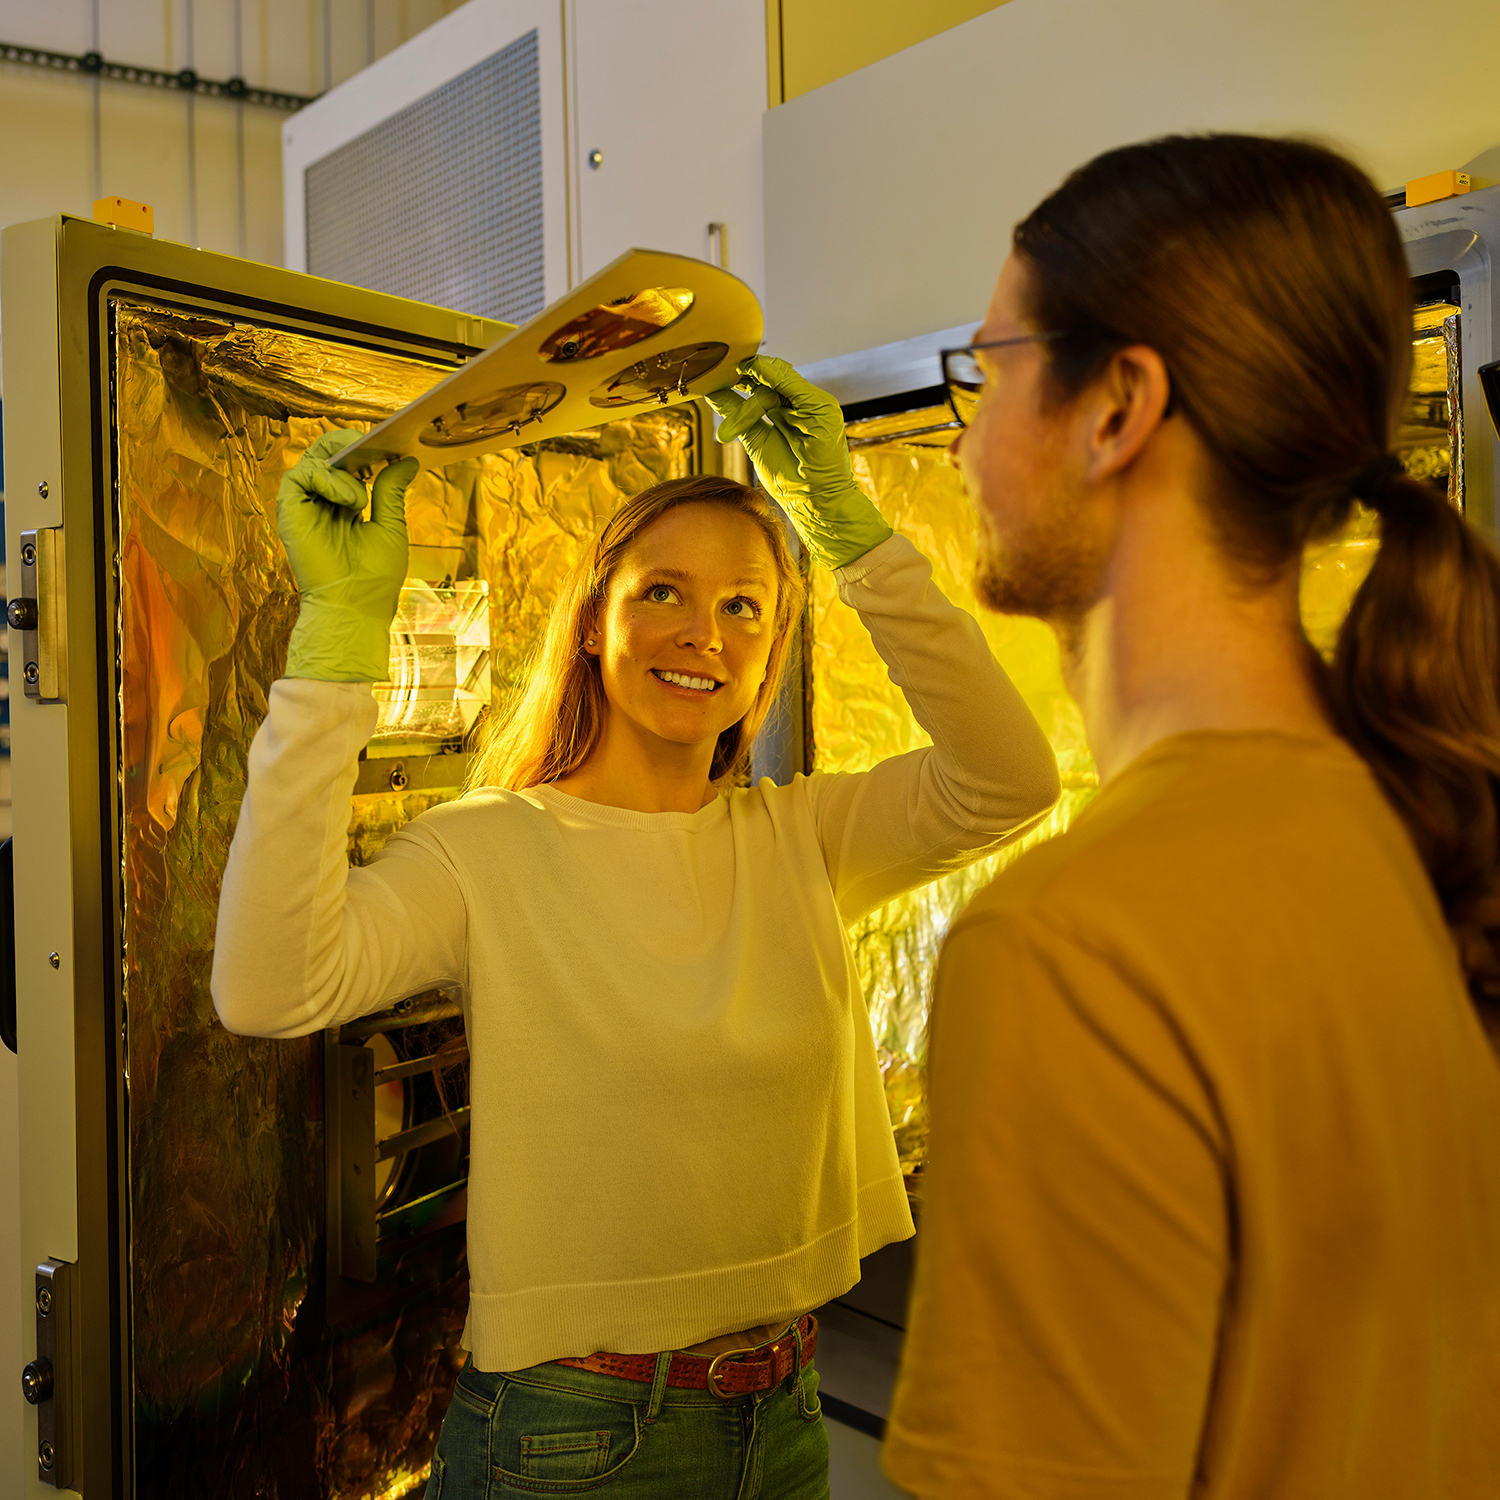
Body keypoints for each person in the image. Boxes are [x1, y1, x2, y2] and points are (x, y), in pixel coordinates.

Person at [211, 356, 1060, 1498]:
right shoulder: (489, 849)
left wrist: (852, 537)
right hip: (572, 1438)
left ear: (767, 655)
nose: (700, 631)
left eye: (742, 607)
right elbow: (269, 987)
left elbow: (1009, 779)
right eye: (661, 591)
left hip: (783, 1415)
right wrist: (337, 638)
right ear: (598, 626)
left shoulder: (801, 839)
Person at [882, 134, 1500, 1500]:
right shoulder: (1411, 829)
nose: (969, 436)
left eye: (989, 372)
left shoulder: (1072, 946)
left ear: (1118, 406)